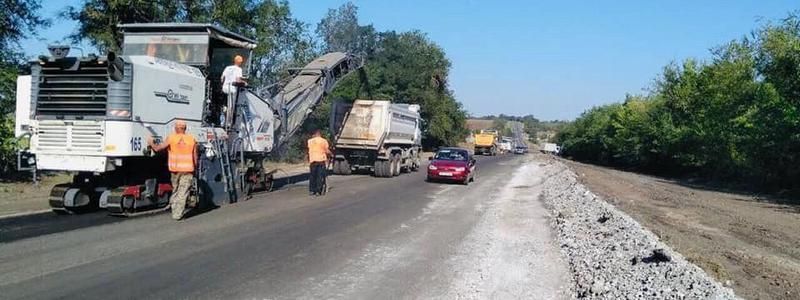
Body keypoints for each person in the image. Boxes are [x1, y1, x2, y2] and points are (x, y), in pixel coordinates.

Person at [147, 120, 197, 220]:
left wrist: (150, 142)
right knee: (183, 192)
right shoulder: (192, 139)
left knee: (176, 190)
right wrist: (195, 169)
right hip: (188, 170)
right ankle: (177, 213)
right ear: (185, 129)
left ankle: (176, 212)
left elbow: (158, 149)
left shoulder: (171, 138)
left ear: (176, 128)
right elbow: (195, 157)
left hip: (175, 170)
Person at [220, 55, 246, 127]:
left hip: (225, 87)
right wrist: (244, 82)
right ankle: (228, 123)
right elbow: (238, 80)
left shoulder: (228, 68)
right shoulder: (239, 69)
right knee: (231, 107)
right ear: (240, 62)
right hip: (232, 89)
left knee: (227, 105)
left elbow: (222, 78)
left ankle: (223, 116)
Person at [307, 129, 332, 196]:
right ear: (320, 134)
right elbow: (326, 150)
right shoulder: (324, 141)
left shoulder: (309, 141)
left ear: (315, 134)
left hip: (312, 160)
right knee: (319, 176)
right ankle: (318, 191)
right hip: (321, 160)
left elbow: (309, 149)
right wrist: (331, 153)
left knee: (312, 176)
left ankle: (312, 190)